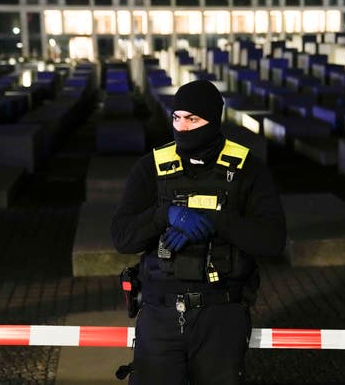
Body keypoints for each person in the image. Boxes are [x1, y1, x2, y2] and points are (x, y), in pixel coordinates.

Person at [111, 79, 286, 384]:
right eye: (177, 117)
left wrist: (215, 221)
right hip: (160, 315)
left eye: (193, 119)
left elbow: (272, 240)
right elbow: (123, 237)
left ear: (213, 120)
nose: (183, 127)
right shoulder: (150, 167)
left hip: (221, 315)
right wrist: (165, 215)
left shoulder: (248, 169)